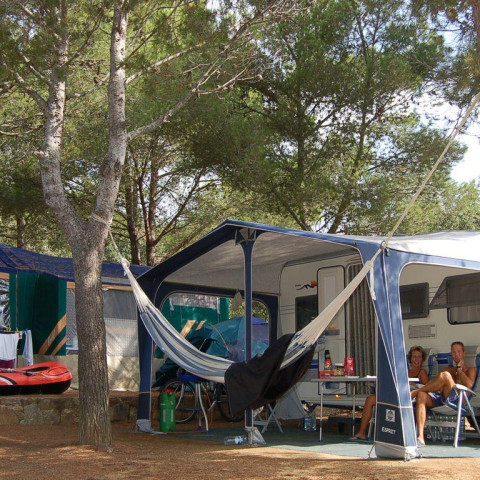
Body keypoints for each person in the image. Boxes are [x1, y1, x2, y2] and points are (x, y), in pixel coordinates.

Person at [350, 345, 429, 441]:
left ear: (422, 359)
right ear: (410, 358)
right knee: (370, 399)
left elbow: (426, 388)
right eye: (414, 357)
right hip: (395, 395)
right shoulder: (404, 372)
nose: (416, 359)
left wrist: (413, 385)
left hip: (407, 399)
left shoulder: (422, 373)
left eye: (419, 357)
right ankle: (361, 432)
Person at [411, 341, 476, 446]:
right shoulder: (449, 369)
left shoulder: (471, 370)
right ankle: (420, 437)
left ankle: (415, 392)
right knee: (422, 395)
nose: (456, 354)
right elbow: (437, 384)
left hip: (457, 401)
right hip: (442, 398)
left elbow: (469, 385)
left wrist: (459, 370)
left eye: (459, 351)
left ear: (464, 353)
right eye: (454, 352)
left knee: (445, 375)